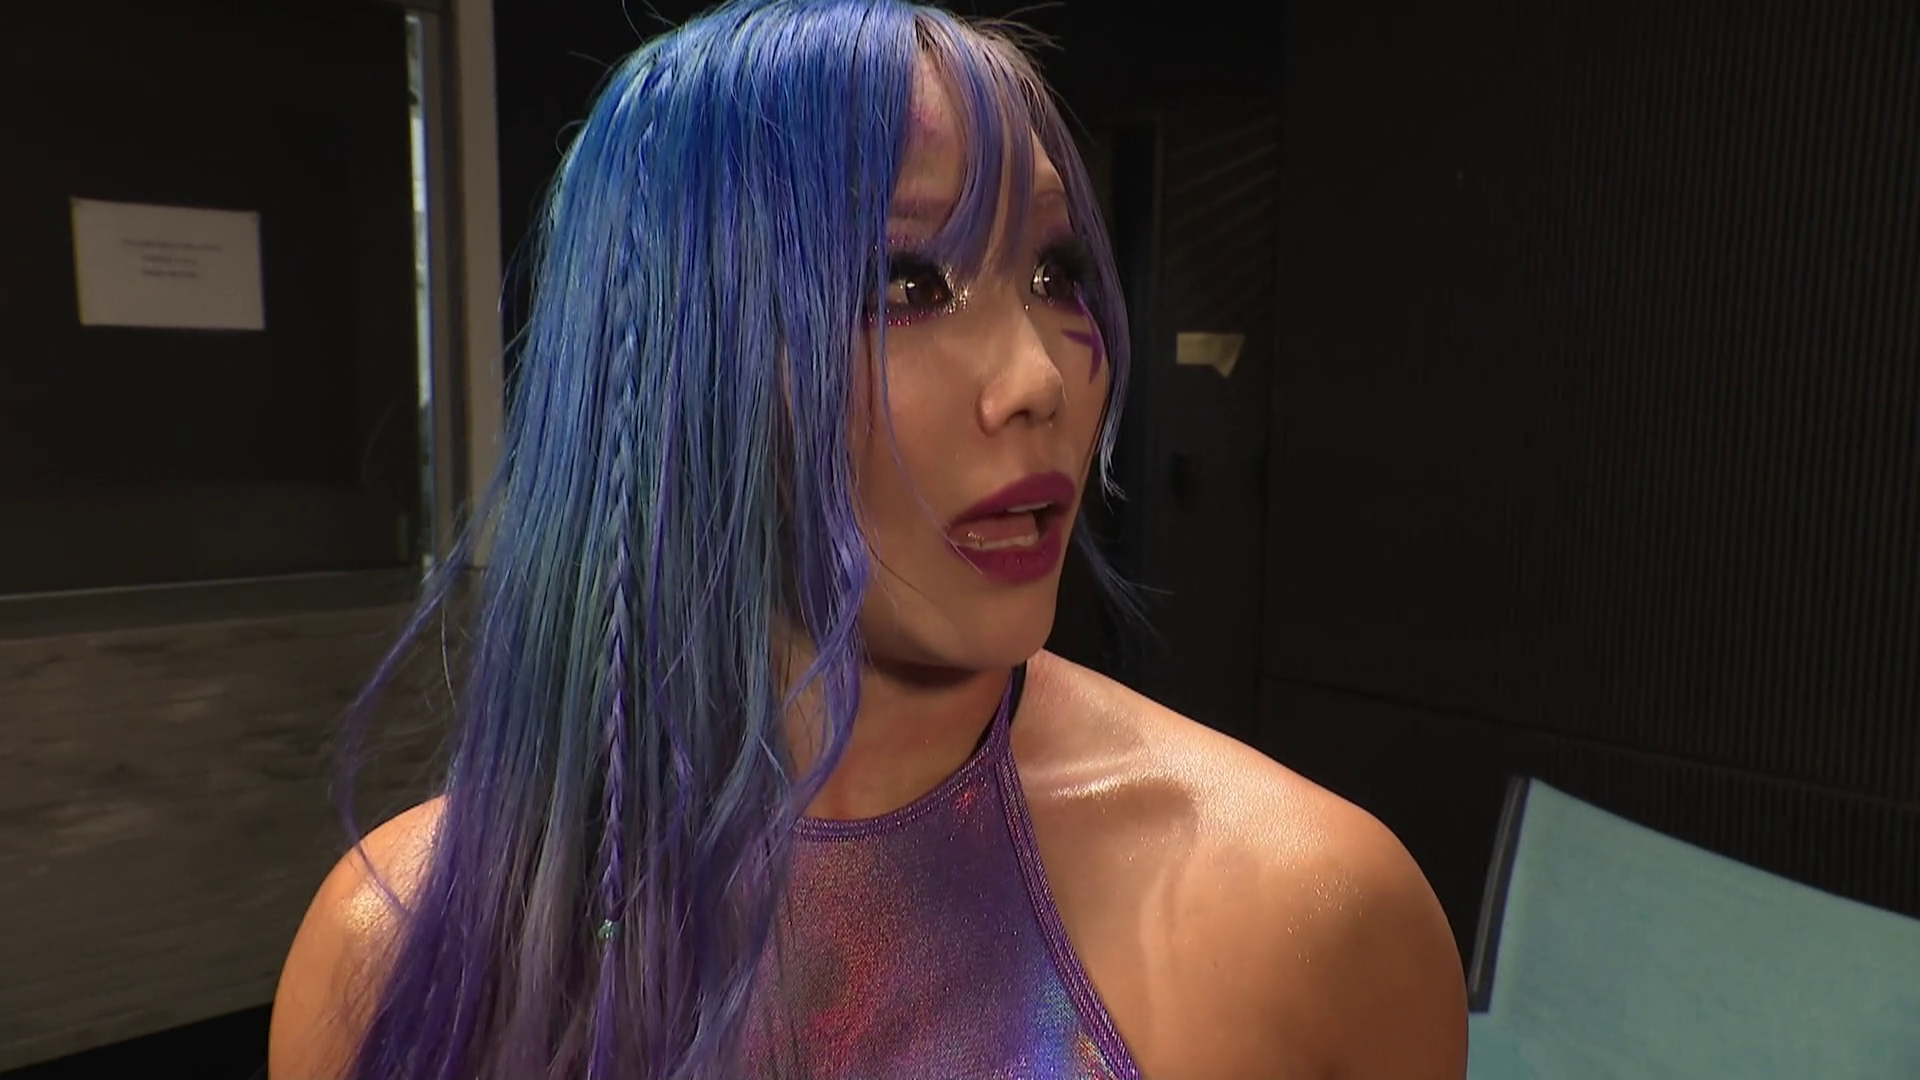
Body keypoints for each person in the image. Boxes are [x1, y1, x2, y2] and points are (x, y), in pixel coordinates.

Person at [268, 2, 1468, 1078]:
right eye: (904, 285)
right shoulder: (392, 943)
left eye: (1056, 272)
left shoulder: (1308, 914)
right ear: (678, 364)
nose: (1038, 379)